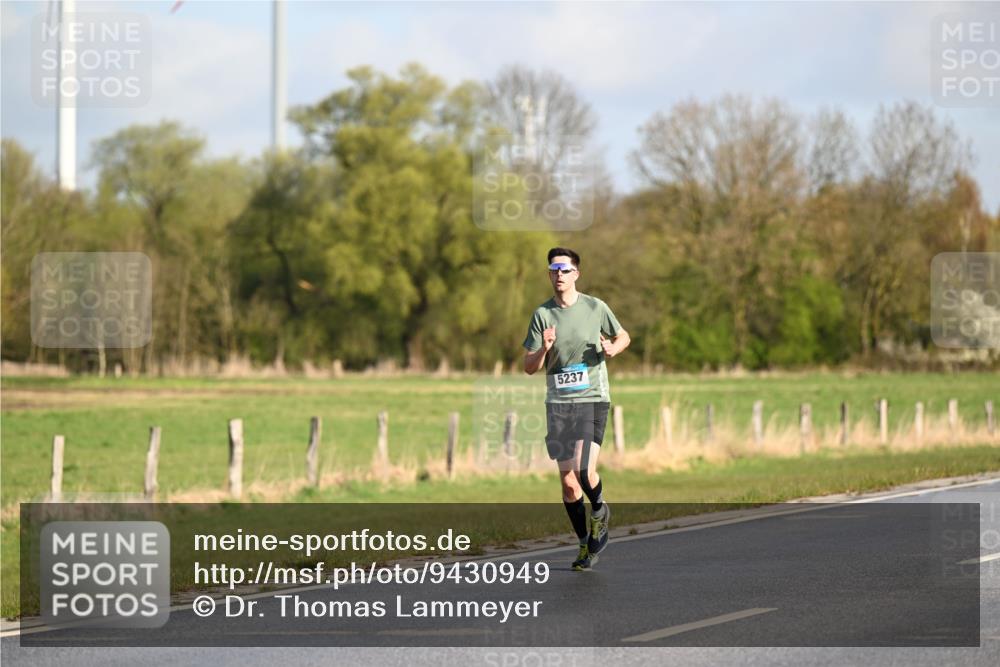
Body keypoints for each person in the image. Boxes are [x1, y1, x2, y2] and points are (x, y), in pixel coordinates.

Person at [522, 247, 630, 570]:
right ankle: (584, 543)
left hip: (592, 398)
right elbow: (529, 367)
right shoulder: (542, 315)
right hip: (558, 404)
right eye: (554, 270)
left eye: (564, 270)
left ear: (576, 274)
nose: (559, 275)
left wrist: (613, 347)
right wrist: (544, 348)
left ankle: (599, 510)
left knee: (584, 470)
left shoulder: (596, 307)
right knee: (569, 483)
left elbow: (623, 336)